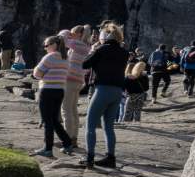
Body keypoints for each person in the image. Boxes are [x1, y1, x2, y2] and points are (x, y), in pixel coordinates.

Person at [81, 23, 129, 169]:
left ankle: (89, 158)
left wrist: (93, 49)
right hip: (117, 91)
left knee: (90, 125)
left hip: (102, 89)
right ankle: (110, 158)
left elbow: (85, 64)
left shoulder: (101, 49)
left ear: (104, 36)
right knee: (109, 126)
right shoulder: (124, 52)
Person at [31, 35, 77, 157]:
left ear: (54, 45)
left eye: (47, 45)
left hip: (47, 90)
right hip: (60, 90)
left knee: (47, 120)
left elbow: (36, 73)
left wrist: (43, 76)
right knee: (54, 120)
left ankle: (47, 148)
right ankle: (67, 144)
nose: (45, 48)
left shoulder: (50, 57)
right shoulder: (65, 58)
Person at [60, 25, 92, 142]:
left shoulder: (77, 44)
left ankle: (67, 139)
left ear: (79, 34)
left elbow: (60, 39)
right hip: (79, 80)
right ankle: (74, 137)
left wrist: (66, 31)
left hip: (70, 79)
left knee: (66, 109)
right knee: (73, 109)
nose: (71, 35)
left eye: (73, 33)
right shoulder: (87, 46)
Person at [122, 57, 149, 122]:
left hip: (131, 95)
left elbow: (123, 87)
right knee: (138, 111)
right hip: (141, 95)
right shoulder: (143, 76)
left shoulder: (128, 77)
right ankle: (137, 122)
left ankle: (125, 123)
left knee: (127, 111)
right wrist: (145, 77)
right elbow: (146, 88)